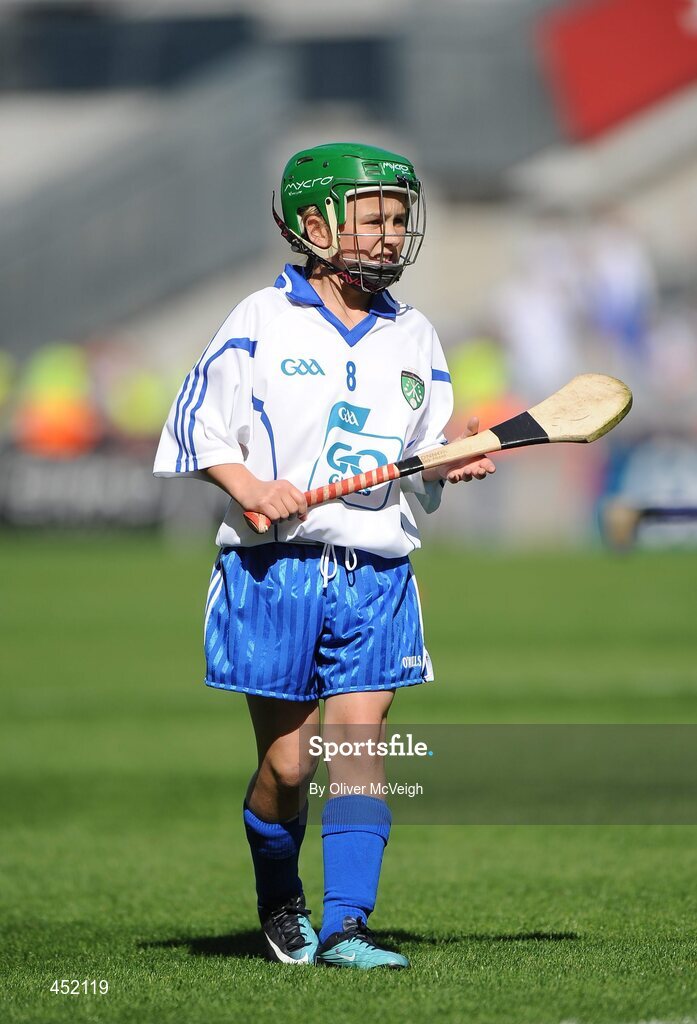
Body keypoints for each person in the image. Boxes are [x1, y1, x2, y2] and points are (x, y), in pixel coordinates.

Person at [154, 142, 495, 970]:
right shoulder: (259, 320)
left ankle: (348, 925)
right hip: (275, 570)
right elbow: (195, 427)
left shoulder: (413, 334)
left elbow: (422, 451)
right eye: (373, 218)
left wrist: (450, 459)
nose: (389, 235)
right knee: (288, 764)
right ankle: (281, 898)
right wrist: (247, 485)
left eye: (399, 219)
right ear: (315, 223)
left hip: (375, 572)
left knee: (357, 743)